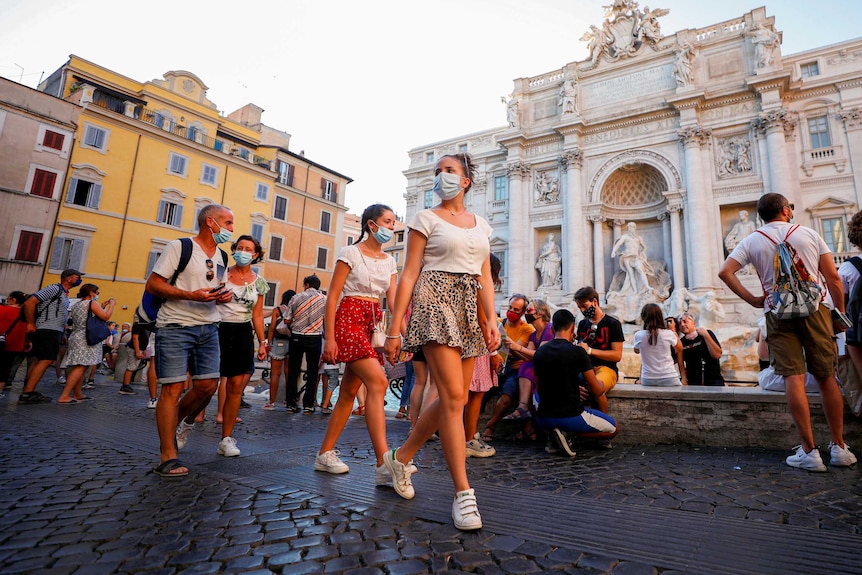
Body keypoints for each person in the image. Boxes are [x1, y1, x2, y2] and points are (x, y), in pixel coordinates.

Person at [384, 152, 500, 531]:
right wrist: (394, 327)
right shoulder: (425, 218)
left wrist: (491, 319)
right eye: (437, 172)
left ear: (466, 181)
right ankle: (463, 495)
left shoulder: (482, 225)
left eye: (448, 171)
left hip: (469, 304)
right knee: (452, 396)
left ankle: (399, 459)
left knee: (458, 398)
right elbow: (408, 273)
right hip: (434, 299)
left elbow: (484, 276)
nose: (441, 177)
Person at [718, 193, 856, 471]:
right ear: (785, 210)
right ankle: (839, 447)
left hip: (777, 313)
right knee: (827, 376)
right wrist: (839, 312)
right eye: (790, 207)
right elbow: (833, 278)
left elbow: (725, 272)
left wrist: (754, 299)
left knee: (793, 378)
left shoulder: (752, 240)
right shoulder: (808, 233)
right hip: (816, 310)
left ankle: (809, 452)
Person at [146, 204, 234, 478]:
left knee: (208, 386)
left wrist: (222, 296)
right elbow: (153, 284)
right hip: (175, 325)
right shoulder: (180, 247)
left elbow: (214, 285)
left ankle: (169, 424)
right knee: (171, 390)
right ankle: (168, 455)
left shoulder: (221, 255)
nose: (231, 229)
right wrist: (191, 295)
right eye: (228, 223)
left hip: (208, 326)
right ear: (211, 222)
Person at [314, 203, 398, 478]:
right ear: (371, 225)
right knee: (379, 381)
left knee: (349, 392)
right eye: (387, 221)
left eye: (394, 222)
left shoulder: (390, 261)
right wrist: (330, 338)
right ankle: (383, 462)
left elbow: (394, 302)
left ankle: (325, 453)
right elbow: (333, 296)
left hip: (372, 322)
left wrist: (400, 335)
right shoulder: (350, 252)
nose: (392, 227)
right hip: (348, 317)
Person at [206, 234, 269, 456]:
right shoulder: (220, 273)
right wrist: (214, 299)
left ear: (255, 255)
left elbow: (258, 315)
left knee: (235, 387)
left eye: (247, 248)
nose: (242, 251)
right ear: (234, 250)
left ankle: (226, 439)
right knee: (206, 384)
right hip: (216, 328)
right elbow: (203, 297)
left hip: (242, 332)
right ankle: (187, 421)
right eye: (239, 247)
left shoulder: (259, 283)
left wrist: (262, 342)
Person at [534, 309, 619, 457]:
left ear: (553, 329)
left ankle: (553, 434)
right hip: (571, 415)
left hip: (543, 419)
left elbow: (539, 388)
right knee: (613, 429)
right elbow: (597, 390)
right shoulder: (578, 352)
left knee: (535, 395)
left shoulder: (540, 351)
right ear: (573, 328)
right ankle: (568, 434)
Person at [18, 269, 84, 404]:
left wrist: (62, 333)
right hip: (47, 329)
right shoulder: (54, 289)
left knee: (39, 360)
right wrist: (30, 323)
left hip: (54, 330)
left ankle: (28, 390)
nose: (79, 280)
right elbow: (30, 302)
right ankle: (28, 392)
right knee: (46, 360)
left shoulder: (64, 294)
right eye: (77, 277)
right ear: (69, 278)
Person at [464, 253, 504, 458]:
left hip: (465, 343)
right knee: (476, 394)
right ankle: (469, 439)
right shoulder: (479, 287)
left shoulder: (466, 283)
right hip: (478, 347)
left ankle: (460, 436)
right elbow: (483, 321)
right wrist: (494, 353)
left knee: (463, 394)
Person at [482, 294, 535, 442]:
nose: (511, 311)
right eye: (510, 308)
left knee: (506, 396)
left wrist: (502, 342)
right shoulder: (500, 323)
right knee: (480, 392)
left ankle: (490, 426)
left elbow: (516, 349)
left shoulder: (527, 329)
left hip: (515, 368)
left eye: (515, 310)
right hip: (497, 365)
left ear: (523, 312)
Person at [57, 284, 117, 403]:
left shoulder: (77, 304)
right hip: (86, 338)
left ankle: (77, 392)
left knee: (82, 365)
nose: (97, 295)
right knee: (80, 367)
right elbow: (105, 316)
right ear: (91, 292)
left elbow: (88, 317)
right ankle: (64, 395)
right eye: (97, 293)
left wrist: (102, 306)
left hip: (77, 335)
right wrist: (112, 305)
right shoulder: (91, 303)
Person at [574, 286, 624, 414]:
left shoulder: (613, 323)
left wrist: (590, 350)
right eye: (580, 308)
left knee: (595, 388)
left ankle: (605, 425)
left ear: (594, 302)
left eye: (584, 306)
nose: (583, 310)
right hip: (584, 369)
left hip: (607, 369)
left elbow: (617, 355)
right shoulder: (582, 324)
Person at [283, 275, 326, 414]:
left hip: (297, 336)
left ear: (307, 285)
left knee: (293, 371)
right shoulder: (324, 299)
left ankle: (291, 403)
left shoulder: (295, 298)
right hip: (315, 338)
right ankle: (309, 405)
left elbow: (287, 320)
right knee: (313, 372)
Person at [634, 303, 685, 387]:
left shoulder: (639, 335)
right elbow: (679, 348)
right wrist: (673, 330)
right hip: (668, 376)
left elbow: (636, 351)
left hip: (647, 378)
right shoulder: (668, 334)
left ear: (643, 317)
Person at [264, 289, 295, 410]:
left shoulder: (277, 310)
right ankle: (288, 401)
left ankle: (271, 402)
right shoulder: (295, 310)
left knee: (275, 374)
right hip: (292, 343)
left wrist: (269, 342)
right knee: (289, 374)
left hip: (278, 343)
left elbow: (272, 328)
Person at [678, 313, 724, 386]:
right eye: (680, 323)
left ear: (693, 323)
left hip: (713, 380)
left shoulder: (707, 333)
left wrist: (706, 335)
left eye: (685, 321)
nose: (682, 325)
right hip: (693, 382)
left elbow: (717, 355)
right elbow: (680, 364)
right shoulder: (681, 342)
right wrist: (684, 378)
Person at [611, 222, 654, 296]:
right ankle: (634, 291)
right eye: (630, 227)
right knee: (630, 274)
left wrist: (642, 254)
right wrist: (613, 251)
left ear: (635, 228)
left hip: (636, 257)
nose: (631, 228)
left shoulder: (638, 238)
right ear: (628, 228)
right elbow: (618, 244)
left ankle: (647, 287)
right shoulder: (625, 236)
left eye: (633, 227)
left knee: (640, 270)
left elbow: (644, 247)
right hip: (627, 257)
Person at [0, 291, 29, 399]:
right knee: (5, 368)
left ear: (14, 299)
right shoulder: (25, 314)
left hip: (2, 342)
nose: (7, 299)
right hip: (14, 345)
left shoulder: (2, 309)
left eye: (9, 297)